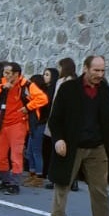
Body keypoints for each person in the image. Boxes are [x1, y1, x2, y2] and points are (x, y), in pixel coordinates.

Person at [47, 55, 109, 216]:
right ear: (85, 68)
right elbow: (55, 118)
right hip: (72, 145)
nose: (99, 74)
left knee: (100, 190)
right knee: (63, 184)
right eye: (96, 70)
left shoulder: (105, 90)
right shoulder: (69, 89)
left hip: (97, 146)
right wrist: (58, 139)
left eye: (102, 70)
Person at [0, 62, 48, 195]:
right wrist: (3, 87)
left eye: (8, 73)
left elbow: (43, 99)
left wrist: (28, 108)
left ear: (16, 74)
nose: (5, 75)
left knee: (16, 155)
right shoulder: (3, 84)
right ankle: (5, 181)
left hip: (18, 125)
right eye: (4, 73)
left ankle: (15, 184)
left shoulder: (27, 85)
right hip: (2, 124)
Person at [44, 58, 78, 190]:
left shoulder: (63, 82)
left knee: (58, 151)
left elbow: (57, 104)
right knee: (67, 153)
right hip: (68, 122)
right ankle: (70, 180)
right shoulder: (75, 82)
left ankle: (56, 179)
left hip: (61, 121)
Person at [23, 73, 51, 187]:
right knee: (30, 151)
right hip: (34, 125)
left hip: (39, 125)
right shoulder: (35, 96)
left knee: (36, 151)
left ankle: (38, 177)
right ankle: (32, 174)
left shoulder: (41, 98)